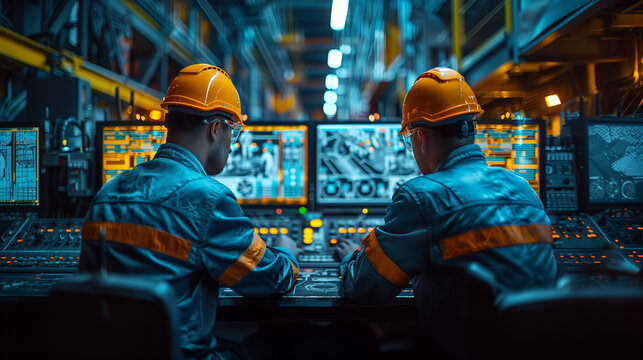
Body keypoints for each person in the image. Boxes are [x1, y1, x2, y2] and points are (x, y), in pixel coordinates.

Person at [80, 64, 302, 360]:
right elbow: (272, 280)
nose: (232, 145)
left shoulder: (105, 196)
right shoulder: (208, 200)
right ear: (215, 128)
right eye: (232, 132)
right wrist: (287, 252)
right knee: (291, 343)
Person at [336, 67, 557, 358]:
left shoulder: (422, 196)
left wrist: (351, 257)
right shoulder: (524, 188)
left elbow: (365, 291)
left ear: (421, 137)